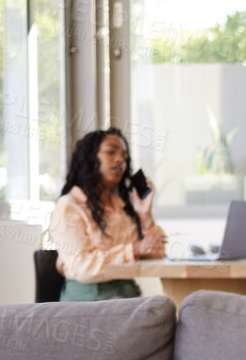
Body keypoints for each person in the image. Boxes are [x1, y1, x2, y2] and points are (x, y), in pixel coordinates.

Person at [50, 128, 165, 301]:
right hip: (89, 299)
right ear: (90, 158)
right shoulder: (69, 206)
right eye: (111, 152)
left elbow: (156, 252)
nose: (120, 159)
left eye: (124, 157)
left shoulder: (123, 207)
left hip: (127, 295)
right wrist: (132, 251)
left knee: (168, 311)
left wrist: (144, 214)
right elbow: (81, 267)